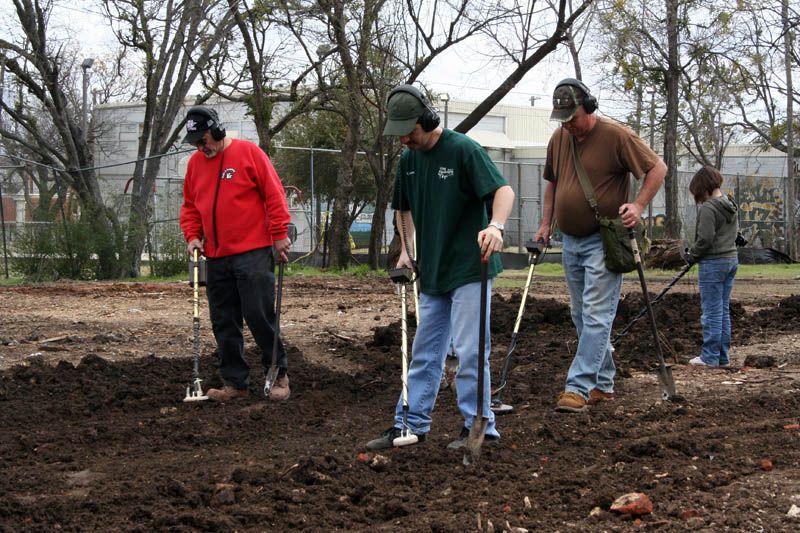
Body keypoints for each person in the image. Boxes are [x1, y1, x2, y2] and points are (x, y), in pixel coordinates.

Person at [366, 85, 515, 450]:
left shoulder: (464, 149)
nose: (403, 139)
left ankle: (480, 428)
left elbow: (503, 192)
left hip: (469, 266)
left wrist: (495, 226)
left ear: (427, 120)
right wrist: (405, 249)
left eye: (409, 130)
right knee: (425, 351)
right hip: (431, 270)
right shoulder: (408, 161)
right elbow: (403, 209)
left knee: (469, 350)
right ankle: (410, 423)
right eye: (397, 132)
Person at [534, 79, 667, 413]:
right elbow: (551, 182)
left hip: (603, 241)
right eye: (562, 119)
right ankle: (604, 384)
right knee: (582, 315)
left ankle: (577, 387)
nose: (568, 125)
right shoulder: (560, 138)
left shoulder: (616, 135)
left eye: (573, 118)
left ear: (589, 107)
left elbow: (658, 168)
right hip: (570, 242)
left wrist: (637, 205)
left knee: (596, 314)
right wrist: (545, 224)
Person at [179, 105, 292, 402]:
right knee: (224, 320)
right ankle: (235, 383)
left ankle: (278, 374)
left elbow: (274, 194)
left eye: (204, 140)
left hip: (253, 252)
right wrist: (192, 236)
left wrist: (279, 234)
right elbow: (190, 206)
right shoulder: (195, 165)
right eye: (196, 144)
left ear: (217, 131)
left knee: (259, 315)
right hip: (216, 256)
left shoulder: (250, 154)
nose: (202, 148)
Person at [683, 166, 739, 367]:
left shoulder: (709, 207)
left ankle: (709, 357)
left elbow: (705, 239)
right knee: (722, 310)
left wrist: (692, 256)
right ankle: (722, 356)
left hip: (713, 262)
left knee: (711, 312)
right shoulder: (729, 203)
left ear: (703, 187)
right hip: (731, 260)